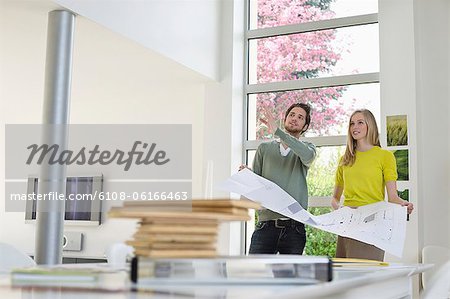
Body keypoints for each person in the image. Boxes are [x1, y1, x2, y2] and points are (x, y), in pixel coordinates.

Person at [331, 109, 414, 261]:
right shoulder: (345, 160)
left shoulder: (385, 156)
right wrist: (340, 210)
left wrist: (404, 204)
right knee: (345, 276)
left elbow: (393, 197)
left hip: (372, 222)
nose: (355, 127)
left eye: (360, 122)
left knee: (367, 274)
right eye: (352, 123)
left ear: (370, 126)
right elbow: (334, 199)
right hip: (348, 225)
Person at [239, 103, 317, 254]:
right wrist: (248, 176)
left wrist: (278, 132)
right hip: (265, 226)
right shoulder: (264, 149)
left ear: (305, 126)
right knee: (256, 275)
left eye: (300, 117)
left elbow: (307, 156)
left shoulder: (308, 149)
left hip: (295, 228)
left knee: (289, 277)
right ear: (285, 119)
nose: (294, 119)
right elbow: (257, 188)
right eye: (292, 115)